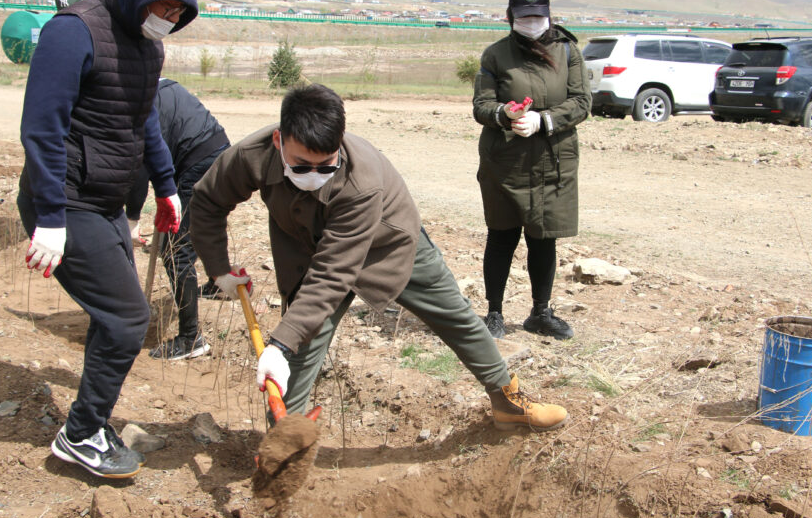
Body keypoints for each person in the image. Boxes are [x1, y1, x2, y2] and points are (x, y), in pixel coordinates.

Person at [189, 84, 568, 431]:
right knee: (299, 345)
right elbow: (207, 200)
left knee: (457, 317)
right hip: (311, 249)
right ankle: (286, 445)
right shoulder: (251, 155)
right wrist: (219, 269)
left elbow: (335, 272)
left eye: (327, 166)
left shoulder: (361, 179)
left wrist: (279, 344)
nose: (315, 175)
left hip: (389, 243)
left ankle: (508, 401)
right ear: (277, 140)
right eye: (301, 166)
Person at [17, 0, 198, 479]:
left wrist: (165, 187)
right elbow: (41, 128)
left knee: (113, 316)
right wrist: (49, 217)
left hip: (106, 202)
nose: (166, 18)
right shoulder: (72, 32)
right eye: (161, 6)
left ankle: (88, 423)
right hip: (66, 202)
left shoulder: (148, 45)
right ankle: (81, 433)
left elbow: (143, 119)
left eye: (177, 12)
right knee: (127, 318)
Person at [472, 0, 591, 341]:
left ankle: (540, 313)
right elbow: (481, 106)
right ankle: (494, 313)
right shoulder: (495, 55)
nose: (531, 21)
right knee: (502, 236)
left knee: (544, 238)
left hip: (552, 161)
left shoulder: (569, 51)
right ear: (510, 16)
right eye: (523, 16)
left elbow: (582, 102)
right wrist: (505, 114)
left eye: (537, 15)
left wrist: (545, 120)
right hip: (505, 162)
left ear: (548, 14)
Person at [128, 78, 230, 360]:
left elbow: (140, 167)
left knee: (176, 252)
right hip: (216, 151)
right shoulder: (159, 86)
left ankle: (190, 339)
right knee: (204, 225)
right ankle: (218, 283)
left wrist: (131, 220)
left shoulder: (139, 100)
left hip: (198, 162)